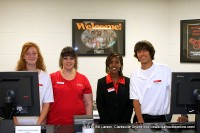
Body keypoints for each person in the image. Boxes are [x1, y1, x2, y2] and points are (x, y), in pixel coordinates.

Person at [130, 40, 188, 123]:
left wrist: (184, 114)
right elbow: (135, 100)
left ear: (151, 52)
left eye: (145, 50)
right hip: (141, 118)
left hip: (162, 118)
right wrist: (140, 121)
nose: (142, 54)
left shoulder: (164, 69)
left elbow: (176, 92)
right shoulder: (134, 75)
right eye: (139, 51)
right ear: (136, 55)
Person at [46, 46, 93, 125]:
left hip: (78, 124)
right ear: (61, 60)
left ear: (75, 60)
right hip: (55, 123)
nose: (69, 61)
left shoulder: (83, 79)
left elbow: (88, 103)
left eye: (71, 58)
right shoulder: (51, 78)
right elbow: (45, 103)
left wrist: (88, 124)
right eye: (65, 58)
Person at [14, 42, 54, 125]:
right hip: (18, 122)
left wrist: (38, 123)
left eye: (34, 53)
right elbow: (12, 102)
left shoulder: (45, 77)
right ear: (23, 56)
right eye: (27, 53)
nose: (31, 56)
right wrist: (15, 122)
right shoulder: (15, 76)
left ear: (38, 56)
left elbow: (46, 104)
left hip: (38, 121)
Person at [96, 53, 133, 124]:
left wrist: (122, 123)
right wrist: (109, 124)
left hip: (124, 124)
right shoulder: (101, 82)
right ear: (107, 65)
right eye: (111, 62)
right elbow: (100, 105)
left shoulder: (128, 82)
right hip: (106, 124)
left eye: (117, 62)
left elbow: (130, 105)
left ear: (121, 65)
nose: (114, 65)